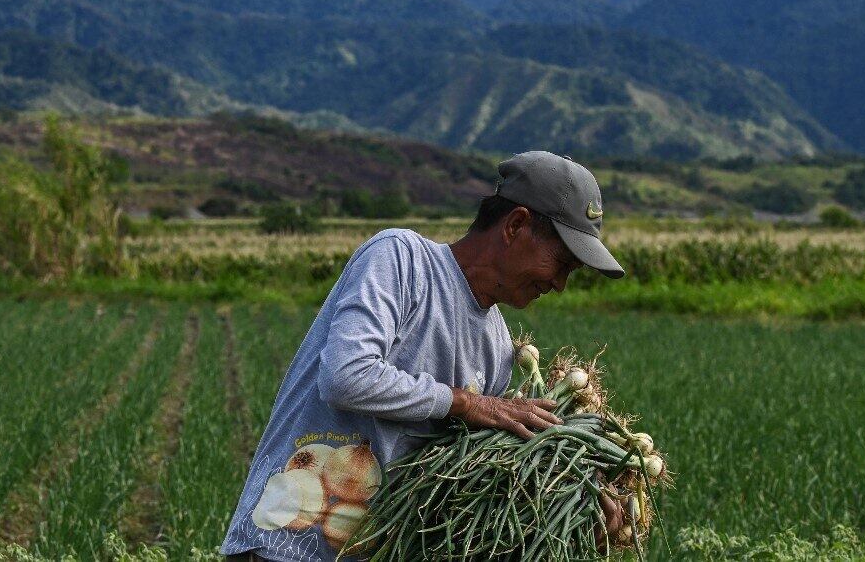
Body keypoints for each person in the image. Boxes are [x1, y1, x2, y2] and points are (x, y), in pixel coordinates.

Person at [221, 151, 625, 561]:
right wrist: (466, 403)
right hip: (285, 546)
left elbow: (463, 477)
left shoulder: (499, 349)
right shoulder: (401, 259)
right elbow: (345, 376)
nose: (559, 284)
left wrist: (573, 496)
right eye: (561, 263)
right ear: (515, 225)